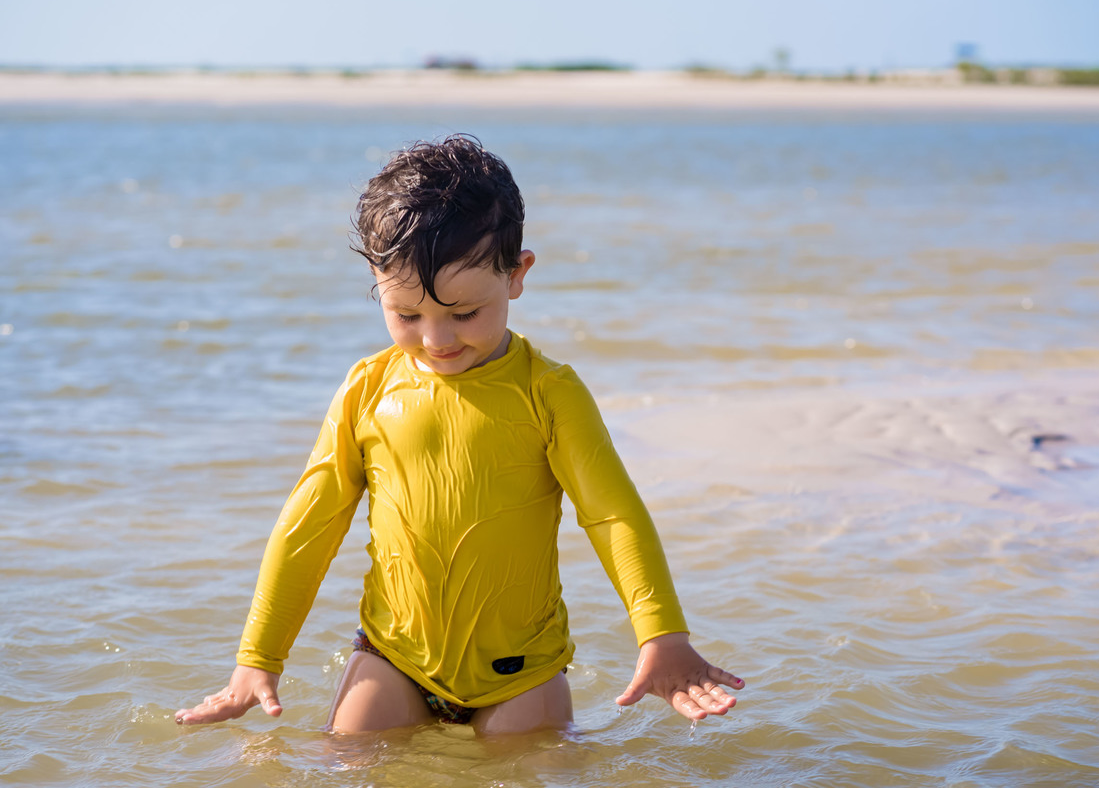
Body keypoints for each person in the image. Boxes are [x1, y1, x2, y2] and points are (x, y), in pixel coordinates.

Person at [175, 134, 743, 735]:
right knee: (341, 764)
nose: (437, 339)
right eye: (408, 315)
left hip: (520, 674)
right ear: (377, 279)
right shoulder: (368, 389)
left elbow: (613, 515)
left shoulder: (548, 392)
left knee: (535, 774)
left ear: (517, 274)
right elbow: (309, 524)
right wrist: (257, 659)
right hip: (392, 658)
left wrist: (663, 634)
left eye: (464, 313)